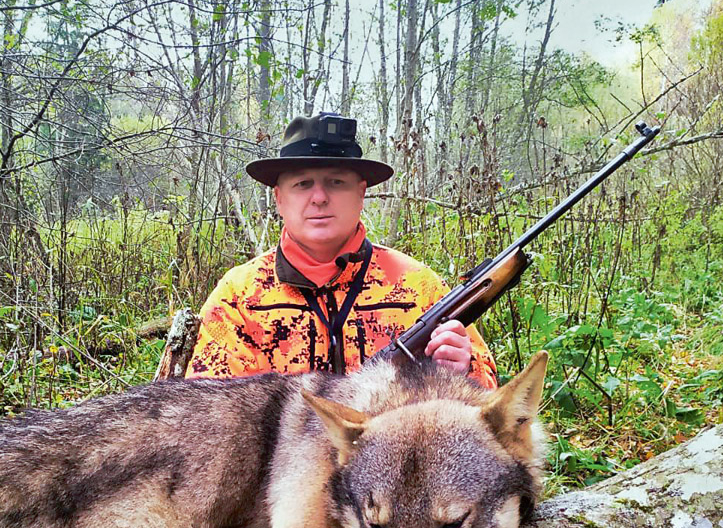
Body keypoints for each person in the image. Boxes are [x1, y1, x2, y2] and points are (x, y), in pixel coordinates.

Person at [185, 113, 498, 387]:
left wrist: (461, 371)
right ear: (279, 198)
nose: (319, 197)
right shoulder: (239, 296)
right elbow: (210, 415)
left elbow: (489, 398)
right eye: (303, 184)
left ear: (361, 193)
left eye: (336, 182)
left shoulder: (418, 287)